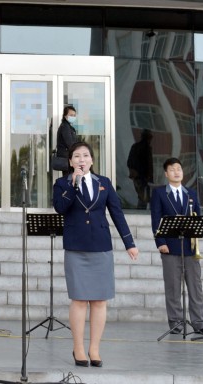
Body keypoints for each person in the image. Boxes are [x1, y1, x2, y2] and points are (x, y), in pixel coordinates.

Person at [52, 141, 139, 368]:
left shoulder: (104, 183)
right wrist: (74, 184)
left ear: (92, 160)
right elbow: (60, 208)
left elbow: (117, 213)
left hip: (101, 246)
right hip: (76, 247)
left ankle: (94, 348)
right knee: (79, 299)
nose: (81, 159)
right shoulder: (62, 183)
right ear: (70, 161)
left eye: (85, 155)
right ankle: (79, 348)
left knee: (100, 300)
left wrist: (129, 243)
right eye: (76, 156)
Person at [150, 158, 203, 336]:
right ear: (166, 174)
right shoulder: (159, 193)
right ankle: (176, 322)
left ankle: (199, 323)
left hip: (189, 247)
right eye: (172, 169)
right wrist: (160, 242)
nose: (176, 172)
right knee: (173, 287)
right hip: (170, 246)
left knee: (195, 287)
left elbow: (197, 217)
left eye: (179, 169)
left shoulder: (191, 193)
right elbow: (156, 219)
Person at [127, 129, 154, 209]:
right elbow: (149, 165)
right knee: (144, 197)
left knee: (143, 197)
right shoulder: (145, 148)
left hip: (140, 177)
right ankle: (141, 211)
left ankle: (141, 211)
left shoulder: (136, 147)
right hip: (143, 177)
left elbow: (129, 162)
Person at [53, 104, 79, 174]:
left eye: (74, 115)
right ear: (65, 116)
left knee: (69, 177)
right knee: (68, 178)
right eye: (71, 115)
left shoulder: (67, 126)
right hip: (67, 158)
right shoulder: (65, 127)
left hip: (68, 157)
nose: (73, 117)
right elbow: (70, 143)